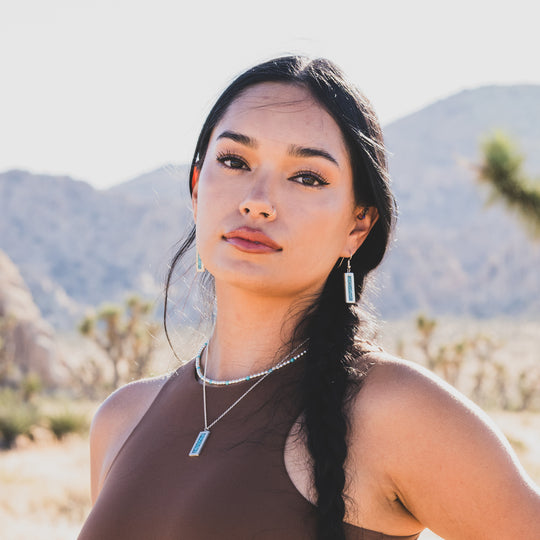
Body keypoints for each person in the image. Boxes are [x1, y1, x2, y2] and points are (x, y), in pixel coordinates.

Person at [78, 56, 540, 540]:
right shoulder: (121, 419)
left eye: (307, 177)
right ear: (197, 188)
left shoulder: (394, 412)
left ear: (357, 226)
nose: (257, 200)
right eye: (234, 161)